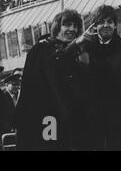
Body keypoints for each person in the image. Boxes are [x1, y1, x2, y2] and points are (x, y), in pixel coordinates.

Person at [15, 9, 89, 151]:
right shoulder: (41, 49)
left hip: (70, 122)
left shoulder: (77, 52)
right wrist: (73, 48)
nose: (72, 29)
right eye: (67, 25)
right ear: (57, 27)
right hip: (46, 121)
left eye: (75, 26)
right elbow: (53, 66)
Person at [74, 5, 121, 151]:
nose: (106, 25)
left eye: (110, 22)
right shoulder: (84, 52)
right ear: (94, 26)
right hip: (92, 121)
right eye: (101, 22)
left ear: (116, 25)